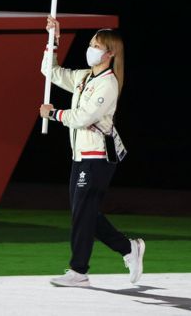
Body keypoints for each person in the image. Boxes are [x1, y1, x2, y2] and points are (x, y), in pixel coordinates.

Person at [39, 15, 145, 288]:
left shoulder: (108, 84)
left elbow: (84, 117)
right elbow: (50, 71)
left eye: (97, 46)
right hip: (80, 156)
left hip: (97, 158)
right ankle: (129, 248)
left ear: (110, 53)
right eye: (91, 44)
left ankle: (79, 271)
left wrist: (54, 114)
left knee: (82, 214)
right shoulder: (84, 77)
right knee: (84, 214)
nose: (91, 49)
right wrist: (53, 40)